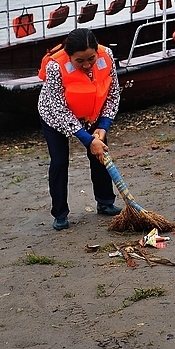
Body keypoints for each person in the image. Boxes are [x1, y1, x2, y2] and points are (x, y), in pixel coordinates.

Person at [38, 28, 122, 230]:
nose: (86, 65)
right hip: (55, 116)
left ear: (97, 51)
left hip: (91, 113)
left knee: (100, 155)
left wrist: (103, 126)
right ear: (69, 56)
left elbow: (113, 95)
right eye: (80, 61)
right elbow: (59, 109)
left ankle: (105, 202)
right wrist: (87, 139)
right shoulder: (55, 67)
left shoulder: (107, 56)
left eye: (91, 59)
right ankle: (60, 213)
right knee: (59, 162)